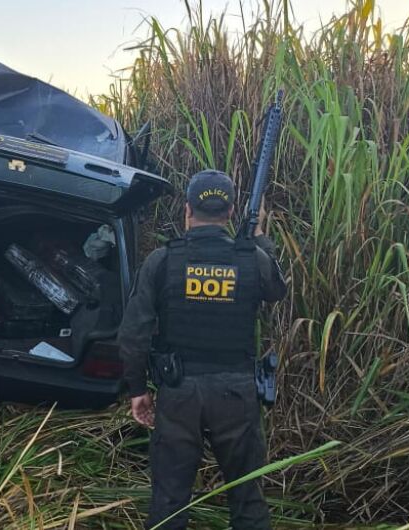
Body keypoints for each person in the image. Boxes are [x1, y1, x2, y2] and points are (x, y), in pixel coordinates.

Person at [118, 169, 287, 530]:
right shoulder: (252, 258)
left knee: (169, 500)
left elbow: (133, 334)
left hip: (180, 395)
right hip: (237, 395)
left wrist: (137, 391)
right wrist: (260, 240)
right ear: (229, 213)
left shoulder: (163, 260)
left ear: (187, 210)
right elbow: (277, 290)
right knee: (247, 498)